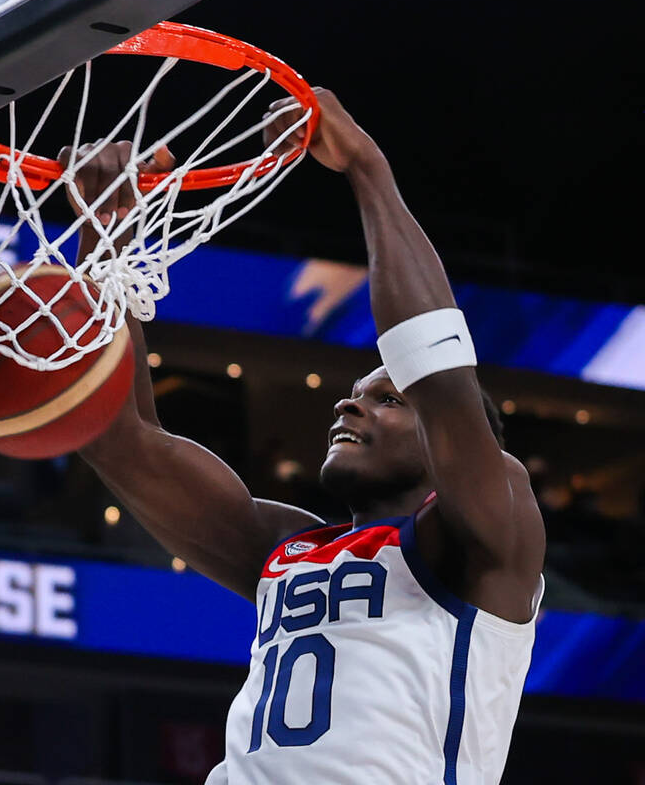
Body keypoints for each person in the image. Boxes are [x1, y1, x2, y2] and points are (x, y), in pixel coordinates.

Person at [71, 88, 546, 785]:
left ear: (453, 442)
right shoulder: (284, 550)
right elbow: (118, 436)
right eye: (353, 398)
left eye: (386, 399)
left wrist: (365, 165)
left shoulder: (488, 530)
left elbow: (439, 372)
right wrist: (103, 233)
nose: (350, 409)